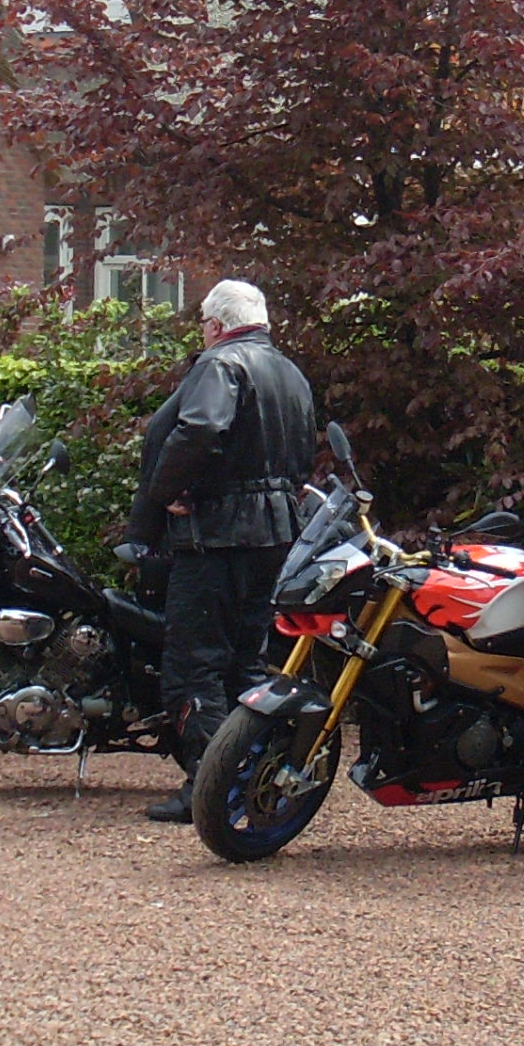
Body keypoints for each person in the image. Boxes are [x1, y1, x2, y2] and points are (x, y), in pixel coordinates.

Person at [126, 280, 319, 822]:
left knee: (193, 666)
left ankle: (209, 787)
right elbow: (302, 452)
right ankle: (255, 775)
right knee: (245, 664)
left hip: (217, 534)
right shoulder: (290, 372)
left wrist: (165, 492)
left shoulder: (220, 364)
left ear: (214, 325)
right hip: (276, 533)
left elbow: (200, 428)